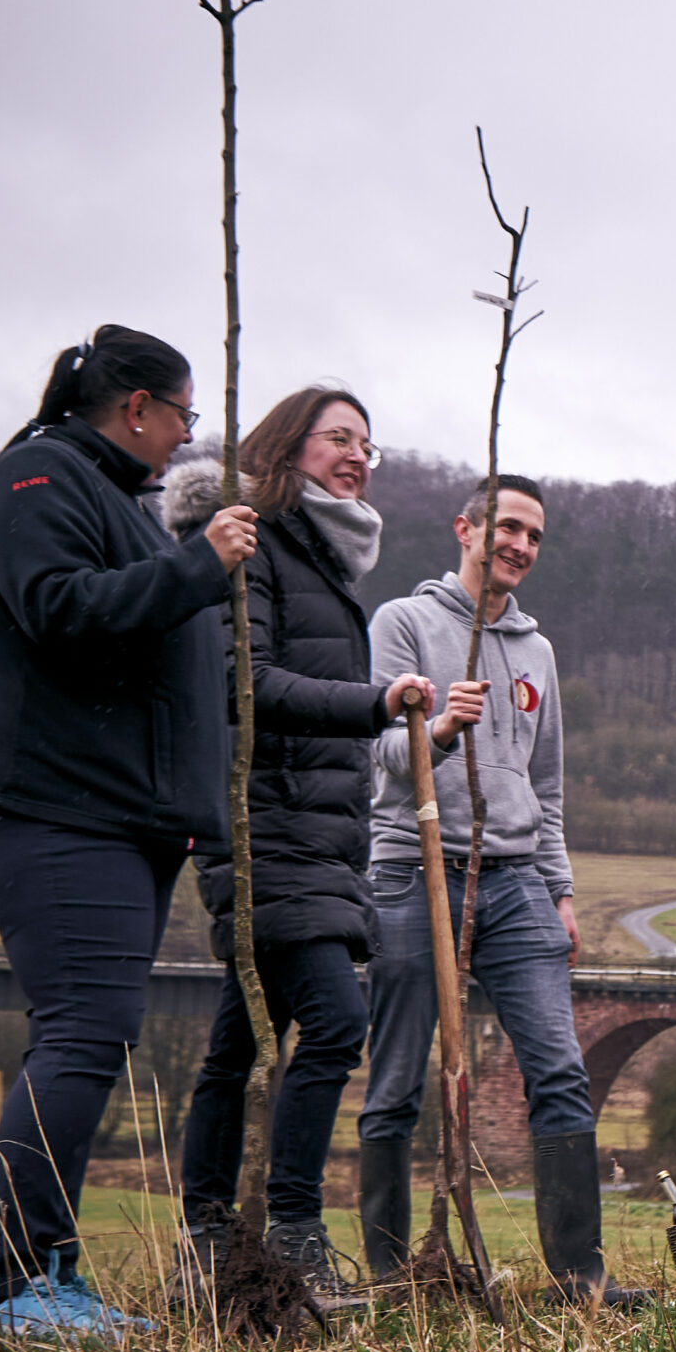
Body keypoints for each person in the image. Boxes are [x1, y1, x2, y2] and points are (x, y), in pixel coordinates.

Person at [0, 326, 258, 1338]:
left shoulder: (114, 500)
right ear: (139, 407)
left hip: (114, 814)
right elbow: (58, 608)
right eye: (185, 418)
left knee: (86, 1033)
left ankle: (43, 1269)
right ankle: (13, 1281)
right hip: (49, 805)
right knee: (83, 1028)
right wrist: (199, 565)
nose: (187, 438)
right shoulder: (39, 477)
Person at [158, 387, 454, 1301]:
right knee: (331, 1020)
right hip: (262, 821)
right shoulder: (248, 545)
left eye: (369, 444)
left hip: (319, 833)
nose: (359, 455)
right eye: (340, 439)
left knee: (241, 1042)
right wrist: (377, 702)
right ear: (288, 448)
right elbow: (245, 683)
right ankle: (284, 1234)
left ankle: (209, 1243)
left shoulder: (323, 562)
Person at [357, 474, 646, 1307]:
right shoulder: (403, 623)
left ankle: (579, 1280)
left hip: (516, 879)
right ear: (466, 529)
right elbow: (376, 754)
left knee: (559, 1069)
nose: (520, 546)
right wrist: (440, 731)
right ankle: (391, 1278)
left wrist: (559, 890)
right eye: (508, 528)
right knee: (400, 1077)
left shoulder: (538, 651)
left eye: (534, 536)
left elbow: (545, 784)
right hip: (414, 868)